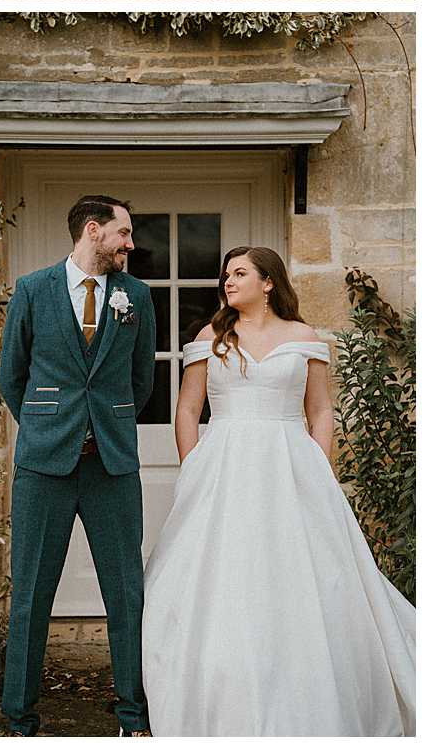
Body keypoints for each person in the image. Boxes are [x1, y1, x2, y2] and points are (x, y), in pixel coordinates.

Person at [142, 246, 415, 736]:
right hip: (223, 461)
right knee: (226, 569)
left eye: (240, 273)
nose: (228, 281)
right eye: (226, 275)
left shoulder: (303, 337)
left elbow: (322, 411)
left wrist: (318, 464)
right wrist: (193, 465)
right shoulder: (211, 337)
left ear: (268, 282)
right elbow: (187, 410)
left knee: (302, 568)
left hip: (291, 463)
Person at [0, 196, 156, 736]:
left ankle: (132, 715)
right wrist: (49, 427)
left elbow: (141, 382)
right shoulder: (33, 289)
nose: (131, 244)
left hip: (112, 466)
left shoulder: (136, 296)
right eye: (124, 233)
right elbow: (11, 377)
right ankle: (20, 718)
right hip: (45, 468)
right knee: (32, 594)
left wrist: (102, 423)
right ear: (94, 231)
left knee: (126, 593)